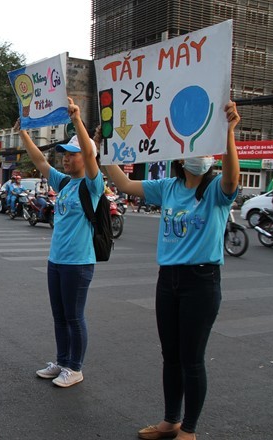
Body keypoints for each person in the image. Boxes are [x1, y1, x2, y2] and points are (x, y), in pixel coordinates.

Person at [103, 102, 241, 440]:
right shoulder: (167, 187)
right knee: (171, 356)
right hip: (169, 280)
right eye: (197, 149)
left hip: (202, 281)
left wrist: (229, 132)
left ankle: (189, 429)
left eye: (209, 151)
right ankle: (170, 421)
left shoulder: (214, 191)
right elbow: (122, 181)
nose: (203, 155)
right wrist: (103, 147)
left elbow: (232, 178)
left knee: (192, 358)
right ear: (180, 157)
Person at [18, 97, 104, 388]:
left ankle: (75, 368)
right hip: (57, 261)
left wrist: (77, 120)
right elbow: (40, 161)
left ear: (85, 156)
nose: (66, 159)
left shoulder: (92, 184)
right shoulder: (64, 183)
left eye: (72, 154)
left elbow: (92, 158)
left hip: (79, 263)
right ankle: (62, 360)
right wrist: (23, 133)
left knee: (74, 316)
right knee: (59, 316)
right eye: (65, 154)